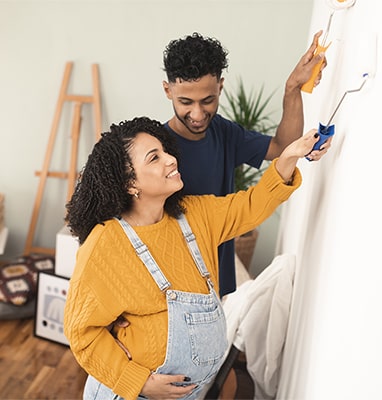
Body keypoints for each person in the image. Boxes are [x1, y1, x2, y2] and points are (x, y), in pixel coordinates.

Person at [63, 116, 329, 400]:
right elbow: (81, 332)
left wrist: (288, 157)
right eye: (154, 158)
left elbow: (252, 204)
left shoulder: (194, 215)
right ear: (130, 183)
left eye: (165, 151)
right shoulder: (106, 244)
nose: (170, 160)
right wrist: (140, 383)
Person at [161, 31, 329, 297]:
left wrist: (292, 88)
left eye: (207, 100)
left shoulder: (224, 133)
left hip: (217, 282)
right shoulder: (155, 148)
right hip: (173, 285)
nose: (197, 114)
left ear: (220, 87)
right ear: (168, 90)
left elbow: (282, 148)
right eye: (185, 102)